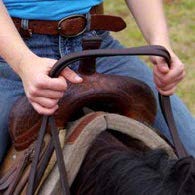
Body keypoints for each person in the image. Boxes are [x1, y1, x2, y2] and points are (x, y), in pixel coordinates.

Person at [0, 0, 194, 164]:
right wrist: (23, 62)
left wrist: (160, 43)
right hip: (12, 53)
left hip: (95, 44)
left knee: (190, 148)